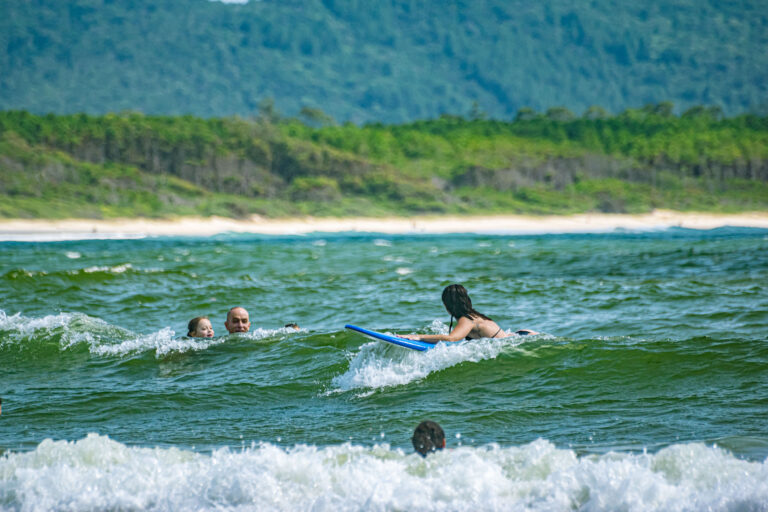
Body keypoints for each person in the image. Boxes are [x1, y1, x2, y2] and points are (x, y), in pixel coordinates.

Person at [403, 284, 537, 343]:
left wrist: (419, 337)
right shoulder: (474, 315)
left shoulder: (467, 320)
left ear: (447, 304)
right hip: (521, 335)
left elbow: (452, 338)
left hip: (521, 339)